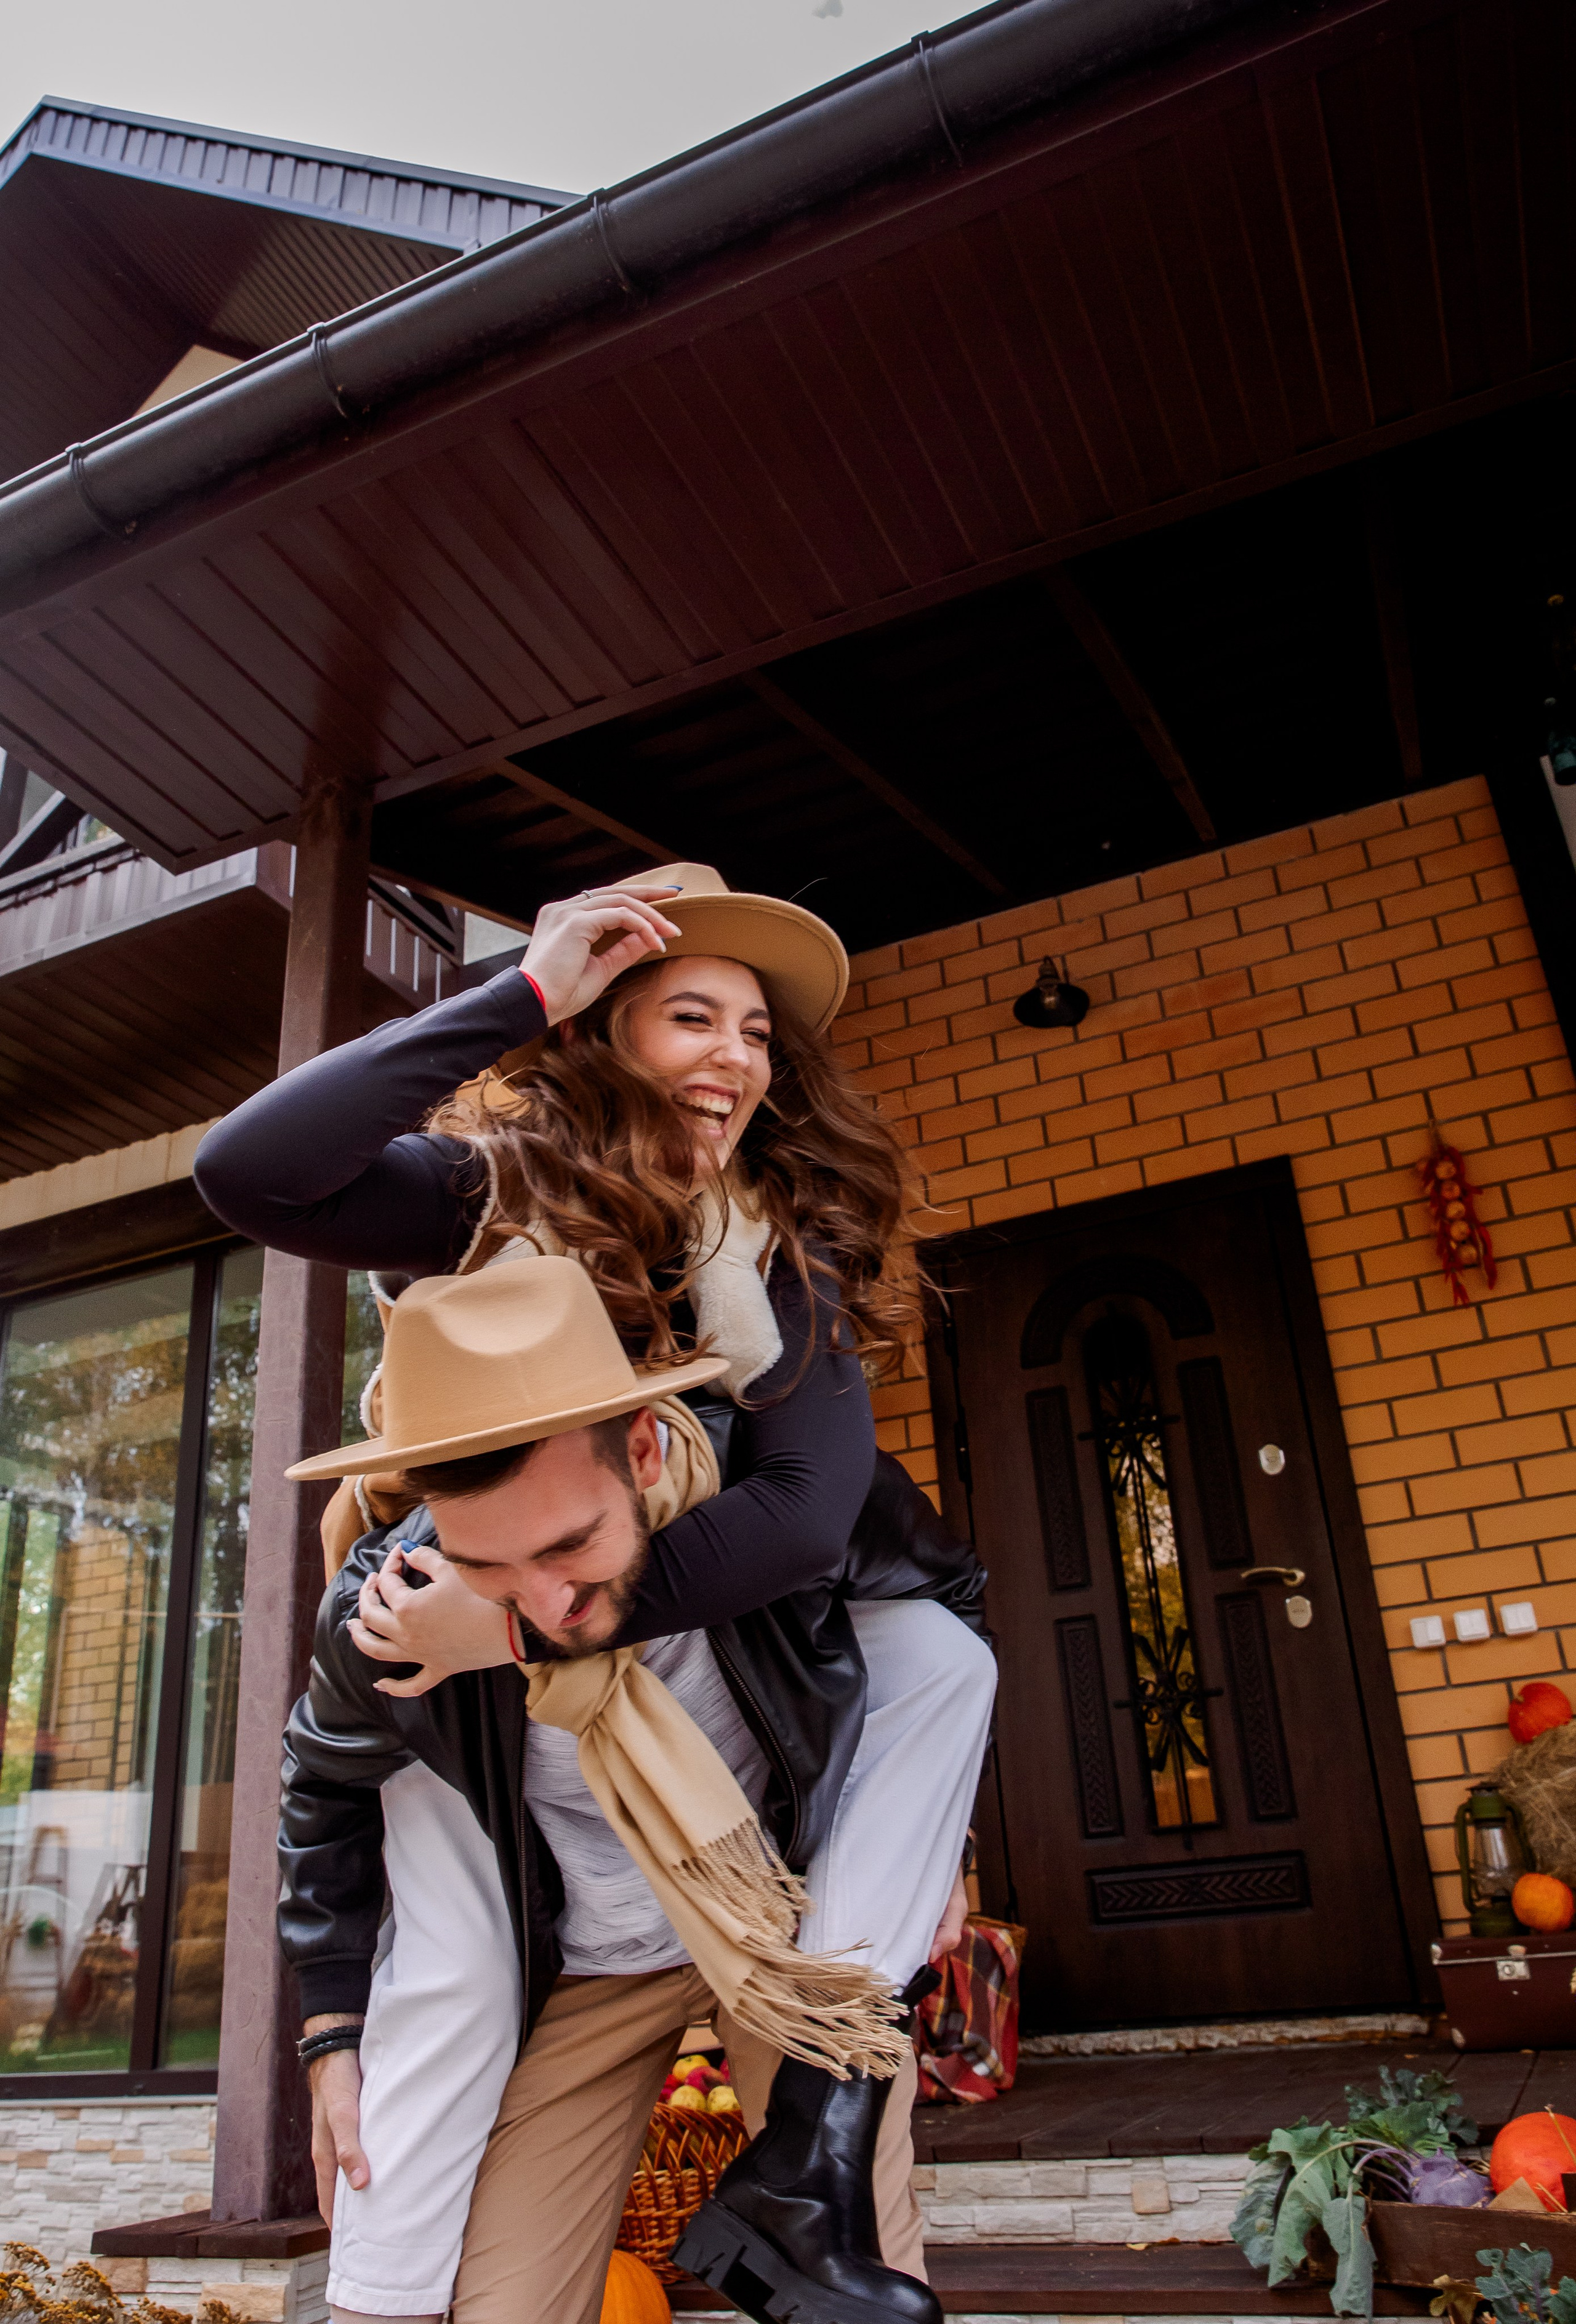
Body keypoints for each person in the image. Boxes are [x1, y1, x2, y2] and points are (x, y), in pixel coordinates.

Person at [195, 867, 997, 2324]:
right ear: (599, 1036)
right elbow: (253, 1173)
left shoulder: (772, 1255)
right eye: (690, 1014)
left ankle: (803, 2172)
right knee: (501, 2294)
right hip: (591, 1921)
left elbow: (813, 1524)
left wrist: (506, 1625)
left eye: (755, 1031)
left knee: (941, 1659)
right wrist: (522, 991)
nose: (735, 1056)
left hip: (774, 1892)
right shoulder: (487, 1215)